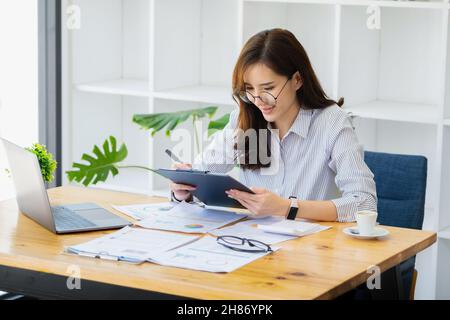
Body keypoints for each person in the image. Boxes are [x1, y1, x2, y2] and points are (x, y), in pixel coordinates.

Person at [170, 28, 377, 222]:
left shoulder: (331, 122)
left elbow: (364, 203)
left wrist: (286, 207)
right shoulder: (243, 120)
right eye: (249, 89)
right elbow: (200, 178)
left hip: (312, 251)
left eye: (268, 88)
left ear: (297, 80)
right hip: (254, 246)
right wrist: (184, 190)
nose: (258, 100)